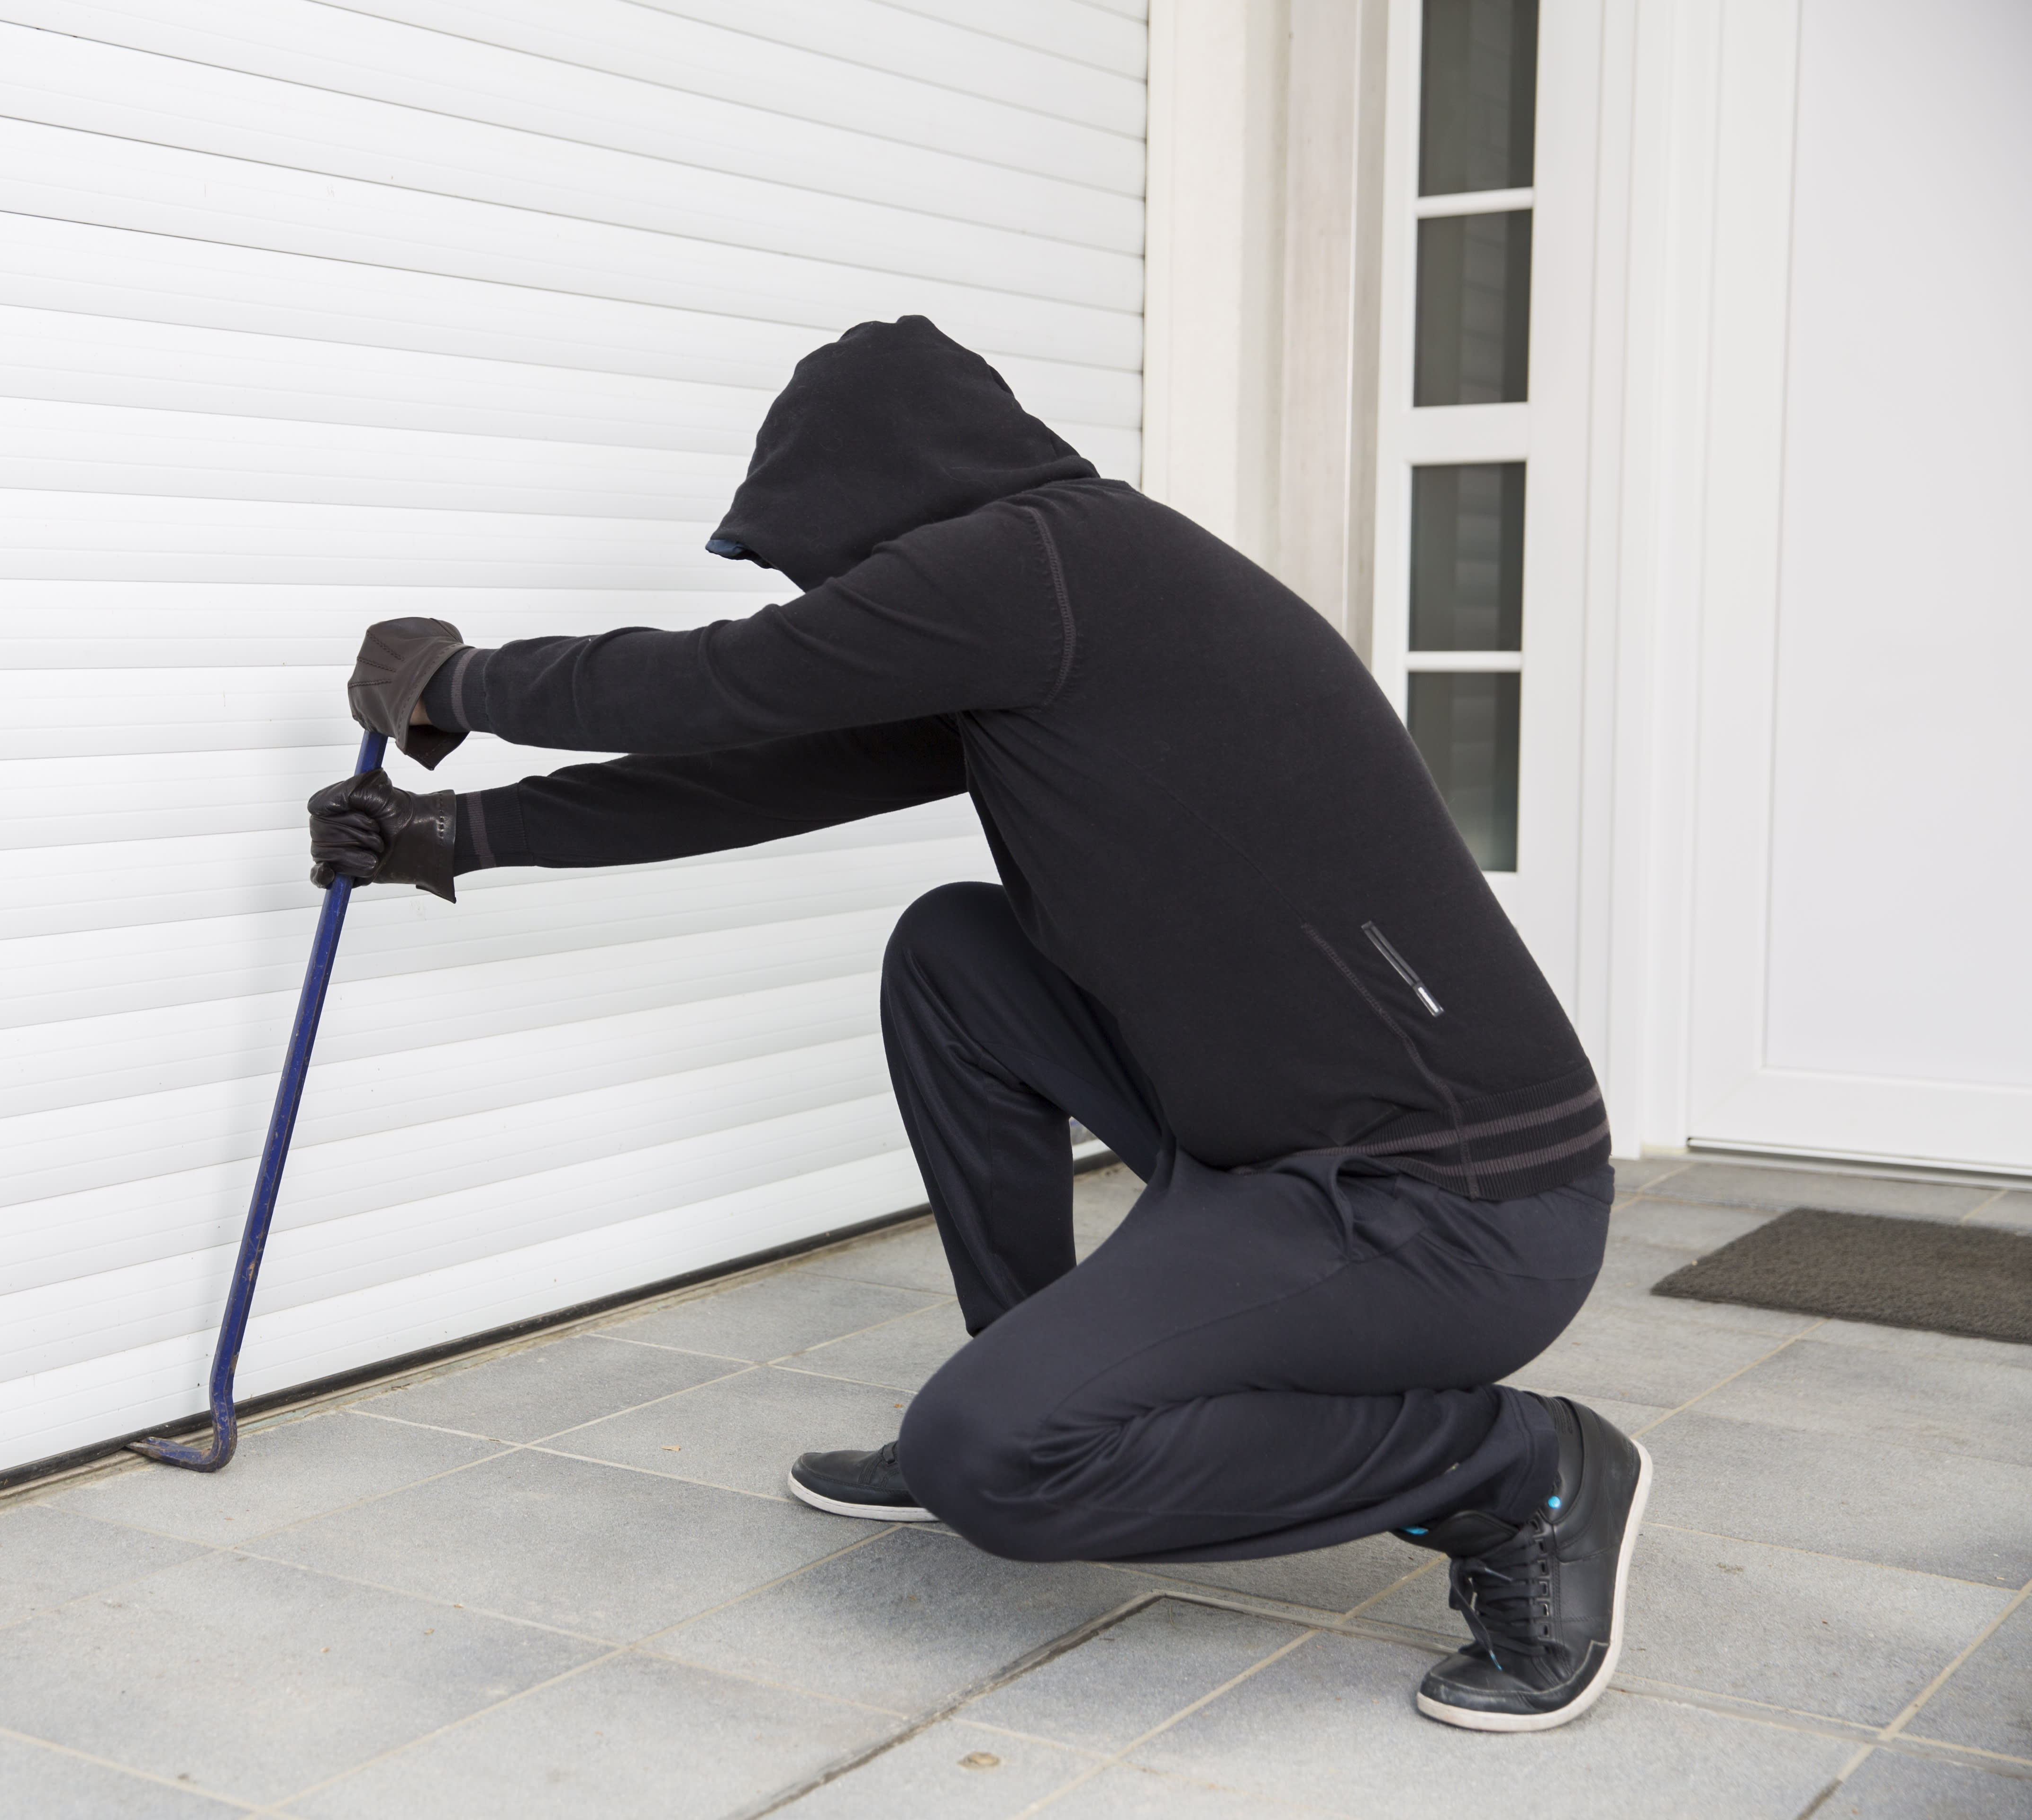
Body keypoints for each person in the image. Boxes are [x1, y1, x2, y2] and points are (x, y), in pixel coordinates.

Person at [306, 316, 1643, 1733]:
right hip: (1274, 1147)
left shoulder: (1043, 562)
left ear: (876, 488)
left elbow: (720, 685)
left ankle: (1519, 1477)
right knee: (956, 952)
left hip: (1454, 1206)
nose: (831, 591)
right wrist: (454, 832)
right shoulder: (1045, 607)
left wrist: (460, 683)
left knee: (999, 1465)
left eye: (821, 553)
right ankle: (1029, 1368)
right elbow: (764, 771)